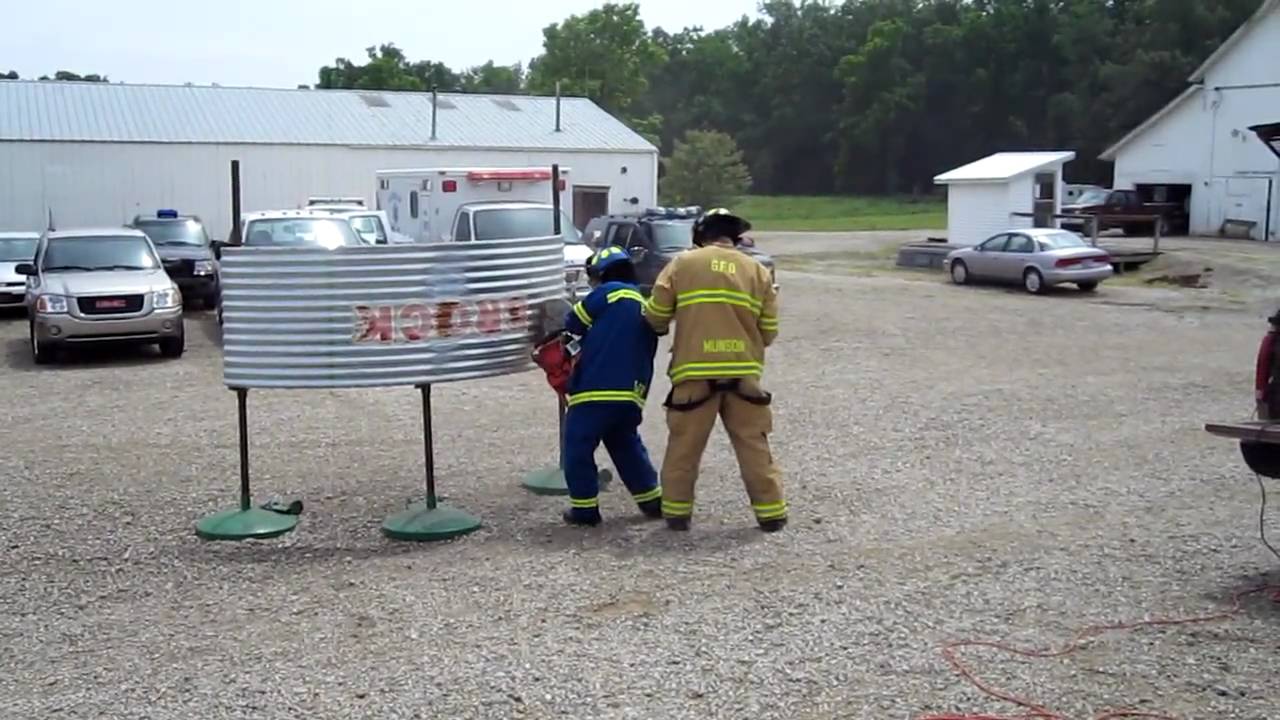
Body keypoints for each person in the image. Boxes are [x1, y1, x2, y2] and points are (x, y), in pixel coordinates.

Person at [642, 208, 786, 532]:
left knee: (684, 447)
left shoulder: (681, 264)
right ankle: (771, 514)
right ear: (734, 237)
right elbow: (769, 332)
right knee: (754, 444)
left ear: (699, 235)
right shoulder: (758, 271)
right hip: (743, 375)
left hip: (694, 374)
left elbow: (656, 316)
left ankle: (677, 515)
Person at [560, 246, 663, 526]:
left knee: (577, 446)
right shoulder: (644, 302)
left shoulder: (607, 293)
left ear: (601, 273)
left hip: (596, 389)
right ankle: (651, 500)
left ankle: (585, 509)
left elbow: (572, 322)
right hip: (632, 393)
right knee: (625, 444)